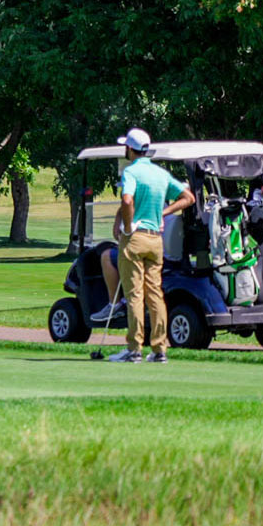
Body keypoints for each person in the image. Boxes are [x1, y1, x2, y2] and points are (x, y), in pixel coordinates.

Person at [109, 128, 195, 364]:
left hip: (135, 239)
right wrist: (162, 214)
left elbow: (127, 199)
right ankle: (159, 350)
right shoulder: (160, 173)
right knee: (155, 294)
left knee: (135, 295)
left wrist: (127, 226)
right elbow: (188, 198)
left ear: (130, 149)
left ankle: (134, 349)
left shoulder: (131, 172)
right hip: (155, 240)